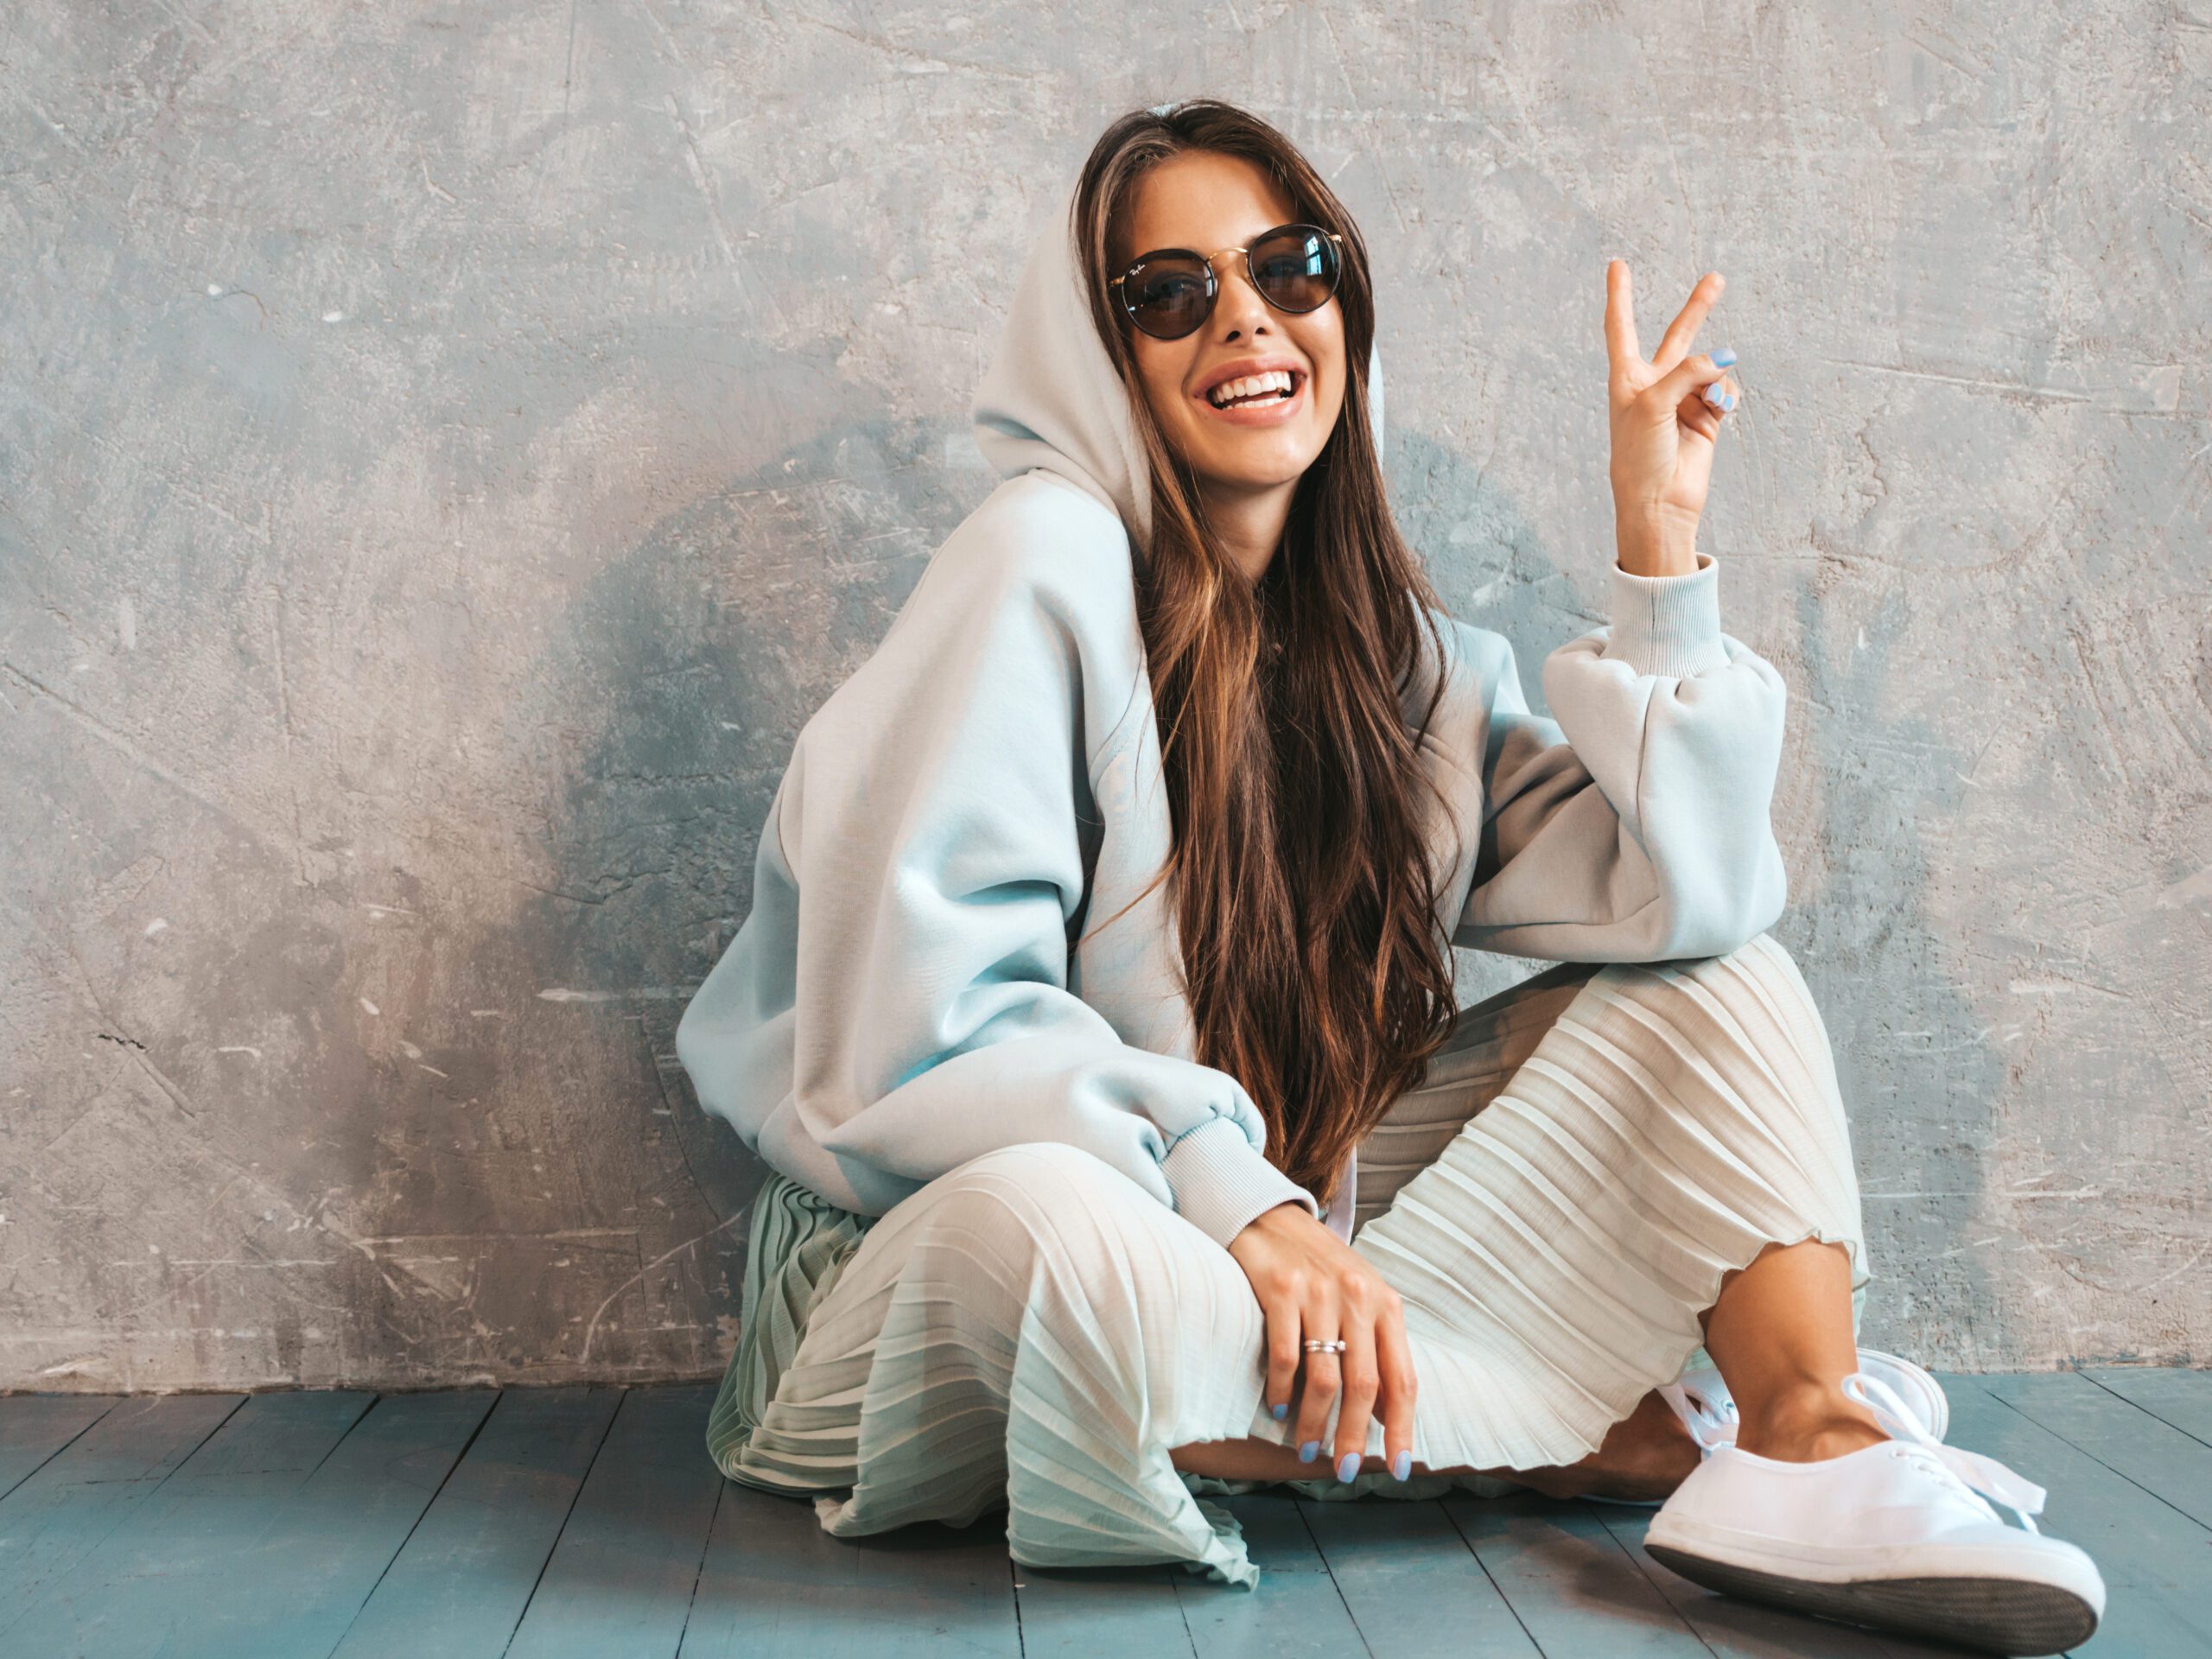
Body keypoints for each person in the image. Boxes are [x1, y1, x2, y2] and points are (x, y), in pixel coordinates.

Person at [674, 99, 2105, 1655]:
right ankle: (1598, 1432)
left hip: (1277, 1259)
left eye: (1289, 267)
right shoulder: (1039, 563)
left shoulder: (1398, 666)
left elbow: (1686, 898)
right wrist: (1242, 1209)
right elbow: (926, 1034)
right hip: (929, 1267)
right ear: (1100, 354)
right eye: (1168, 293)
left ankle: (1807, 1441)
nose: (1244, 316)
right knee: (1059, 1238)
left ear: (1342, 304)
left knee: (1723, 980)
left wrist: (1660, 558)